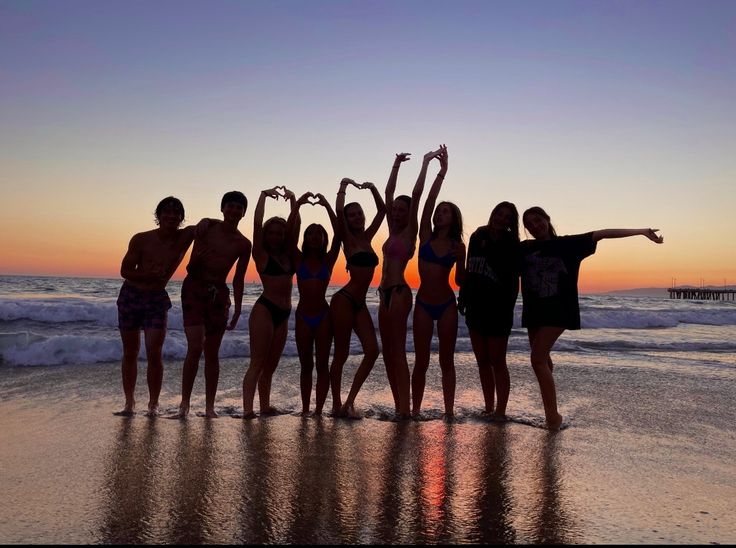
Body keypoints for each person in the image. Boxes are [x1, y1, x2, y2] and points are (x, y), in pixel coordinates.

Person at [520, 206, 664, 429]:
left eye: (537, 220)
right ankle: (551, 407)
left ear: (547, 219)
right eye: (528, 224)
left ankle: (552, 417)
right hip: (534, 311)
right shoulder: (525, 248)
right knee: (543, 360)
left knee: (537, 359)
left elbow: (603, 233)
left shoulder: (568, 244)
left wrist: (641, 231)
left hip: (559, 310)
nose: (534, 226)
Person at [171, 191, 252, 419]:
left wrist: (237, 308)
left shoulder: (243, 244)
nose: (234, 210)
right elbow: (189, 265)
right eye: (230, 206)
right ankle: (184, 404)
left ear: (244, 212)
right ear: (222, 208)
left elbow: (238, 278)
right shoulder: (206, 228)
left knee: (212, 353)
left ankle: (209, 407)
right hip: (194, 289)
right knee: (195, 348)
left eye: (239, 207)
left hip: (219, 295)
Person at [116, 196, 198, 416]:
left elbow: (208, 227)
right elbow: (125, 270)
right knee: (130, 351)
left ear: (181, 217)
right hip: (131, 296)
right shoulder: (141, 239)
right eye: (166, 212)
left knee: (154, 352)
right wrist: (147, 274)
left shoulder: (185, 236)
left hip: (156, 299)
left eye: (176, 213)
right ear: (159, 216)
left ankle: (153, 404)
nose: (171, 216)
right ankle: (129, 402)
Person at [378, 148, 434, 418]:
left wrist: (424, 163)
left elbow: (416, 195)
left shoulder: (410, 232)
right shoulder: (391, 231)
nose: (397, 213)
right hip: (382, 293)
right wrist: (395, 165)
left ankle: (406, 410)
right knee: (387, 353)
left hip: (399, 292)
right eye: (395, 211)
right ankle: (399, 404)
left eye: (402, 211)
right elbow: (388, 194)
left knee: (398, 351)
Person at [411, 146, 467, 419]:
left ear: (454, 218)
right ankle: (415, 410)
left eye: (445, 212)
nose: (439, 214)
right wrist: (439, 172)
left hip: (446, 305)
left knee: (447, 361)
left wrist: (463, 258)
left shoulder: (458, 245)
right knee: (421, 361)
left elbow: (459, 280)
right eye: (439, 212)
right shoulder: (425, 237)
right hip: (422, 303)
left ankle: (448, 413)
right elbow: (426, 199)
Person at [329, 177, 385, 418]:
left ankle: (350, 401)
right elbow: (339, 209)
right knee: (341, 354)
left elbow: (382, 210)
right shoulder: (347, 239)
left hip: (360, 303)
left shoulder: (368, 237)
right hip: (344, 300)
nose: (357, 218)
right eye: (352, 216)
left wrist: (372, 188)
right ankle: (336, 404)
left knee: (372, 351)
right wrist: (344, 185)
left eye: (359, 214)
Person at [458, 201, 520, 420]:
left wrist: (507, 308)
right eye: (499, 214)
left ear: (512, 222)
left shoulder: (512, 243)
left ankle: (501, 411)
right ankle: (488, 407)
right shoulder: (478, 236)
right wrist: (463, 298)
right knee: (482, 360)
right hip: (476, 306)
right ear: (493, 214)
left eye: (507, 217)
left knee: (498, 361)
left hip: (499, 310)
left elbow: (514, 283)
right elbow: (470, 269)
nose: (502, 219)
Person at [240, 186, 297, 418]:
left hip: (283, 314)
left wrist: (294, 200)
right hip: (265, 310)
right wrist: (263, 196)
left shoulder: (288, 254)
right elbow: (256, 225)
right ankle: (247, 410)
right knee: (257, 363)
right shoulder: (261, 255)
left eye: (279, 233)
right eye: (271, 232)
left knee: (271, 366)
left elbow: (296, 226)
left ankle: (264, 406)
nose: (275, 236)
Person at [288, 192, 341, 416]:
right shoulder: (298, 258)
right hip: (302, 316)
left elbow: (339, 233)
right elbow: (290, 235)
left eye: (318, 233)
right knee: (306, 366)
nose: (313, 236)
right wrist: (297, 205)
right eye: (310, 233)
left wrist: (327, 204)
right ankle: (306, 409)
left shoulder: (328, 259)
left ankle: (318, 411)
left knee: (321, 365)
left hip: (323, 317)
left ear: (323, 238)